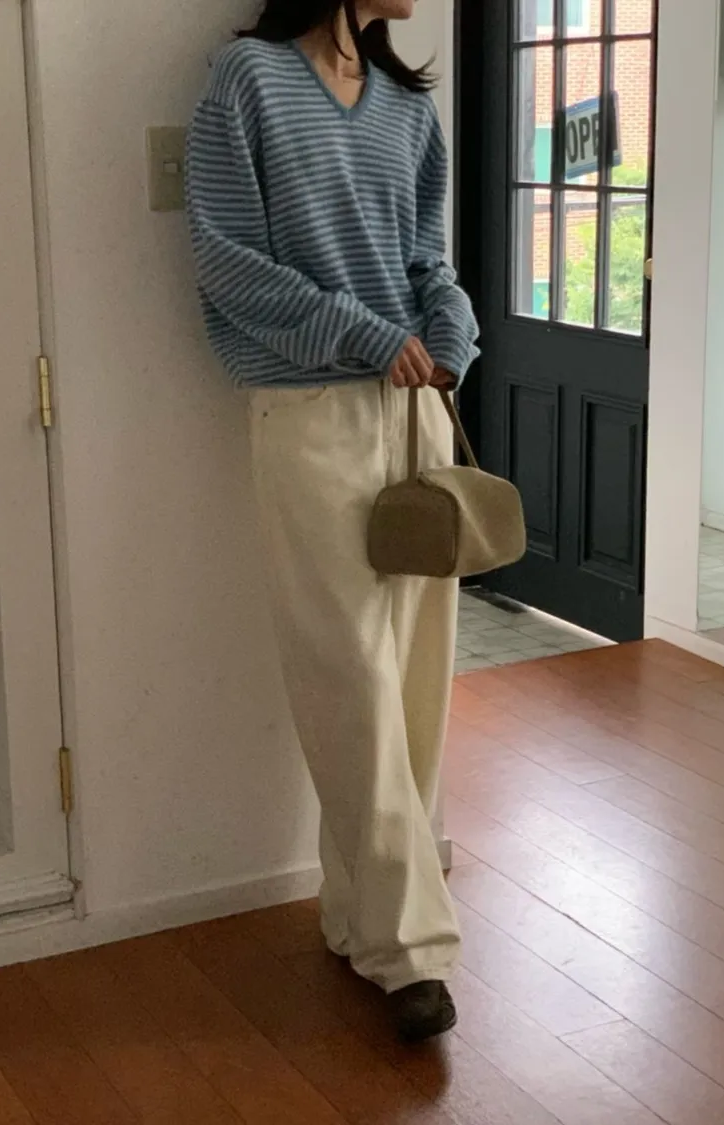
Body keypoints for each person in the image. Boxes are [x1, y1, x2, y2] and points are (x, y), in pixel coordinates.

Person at [186, 0, 480, 1043]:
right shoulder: (249, 82)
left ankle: (362, 919)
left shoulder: (406, 104)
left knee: (416, 671)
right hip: (311, 410)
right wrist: (363, 333)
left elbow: (429, 261)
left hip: (417, 410)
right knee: (348, 674)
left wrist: (451, 336)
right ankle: (414, 948)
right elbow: (225, 257)